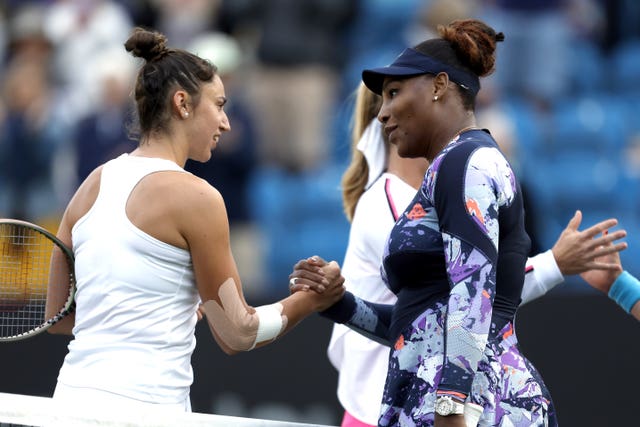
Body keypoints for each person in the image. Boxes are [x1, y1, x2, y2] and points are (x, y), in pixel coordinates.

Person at [288, 19, 616, 427]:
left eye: (393, 94)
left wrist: (450, 404)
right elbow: (417, 324)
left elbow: (473, 289)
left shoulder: (464, 163)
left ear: (439, 86)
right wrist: (339, 305)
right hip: (444, 402)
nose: (383, 112)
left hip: (475, 408)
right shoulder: (451, 167)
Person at [44, 27, 345, 413]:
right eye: (218, 105)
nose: (226, 122)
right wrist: (312, 299)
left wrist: (165, 303)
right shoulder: (197, 197)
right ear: (182, 103)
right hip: (144, 412)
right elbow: (238, 332)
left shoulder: (91, 184)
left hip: (67, 404)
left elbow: (60, 316)